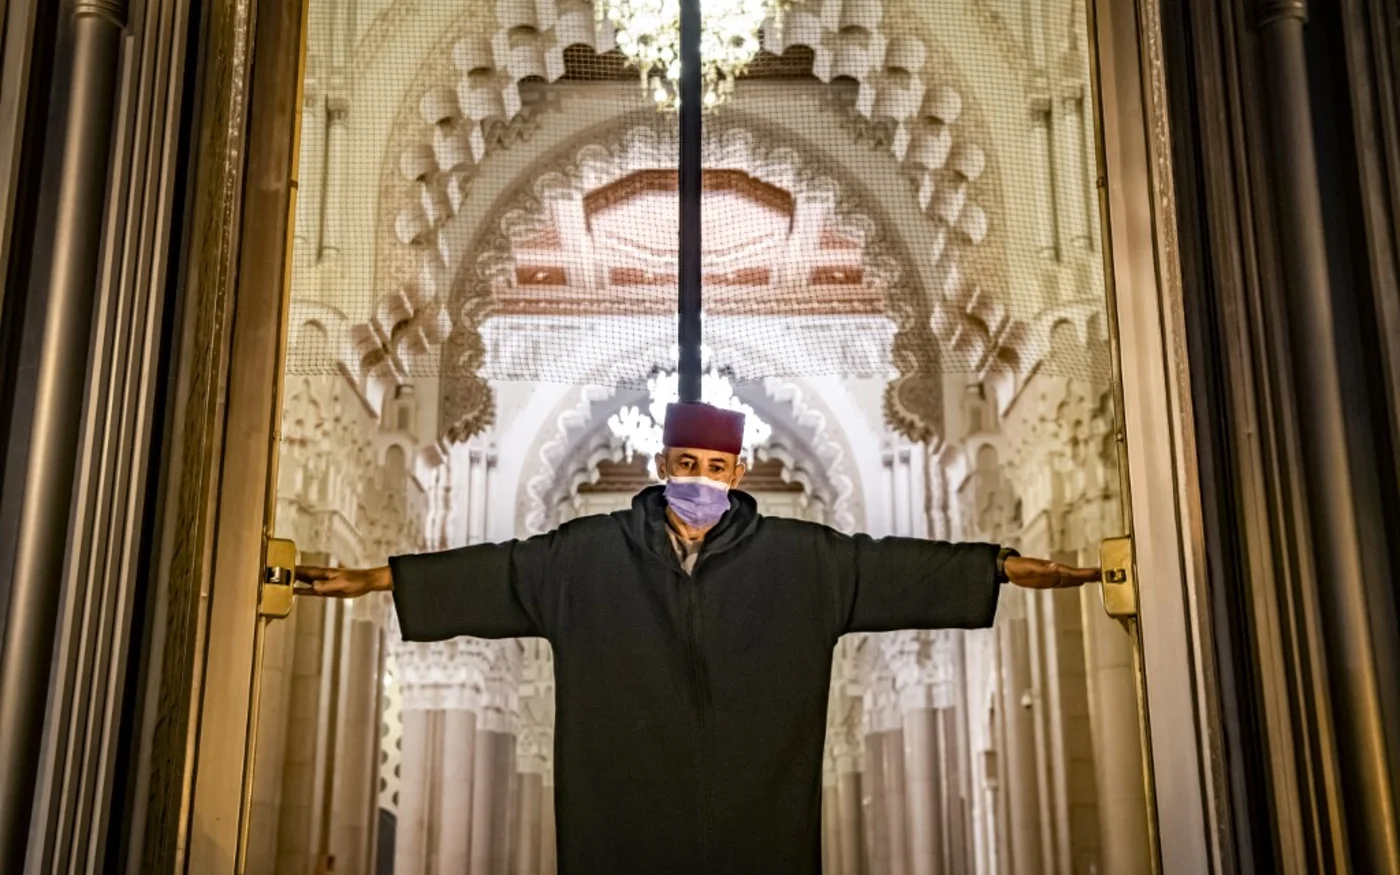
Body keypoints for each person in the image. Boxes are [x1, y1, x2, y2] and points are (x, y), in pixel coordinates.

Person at [298, 401, 1100, 875]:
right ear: (660, 459)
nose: (699, 479)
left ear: (738, 472)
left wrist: (997, 566)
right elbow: (497, 574)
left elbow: (893, 571)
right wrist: (378, 578)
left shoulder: (801, 561)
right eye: (685, 461)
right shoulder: (587, 556)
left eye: (715, 466)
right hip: (626, 826)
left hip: (752, 826)